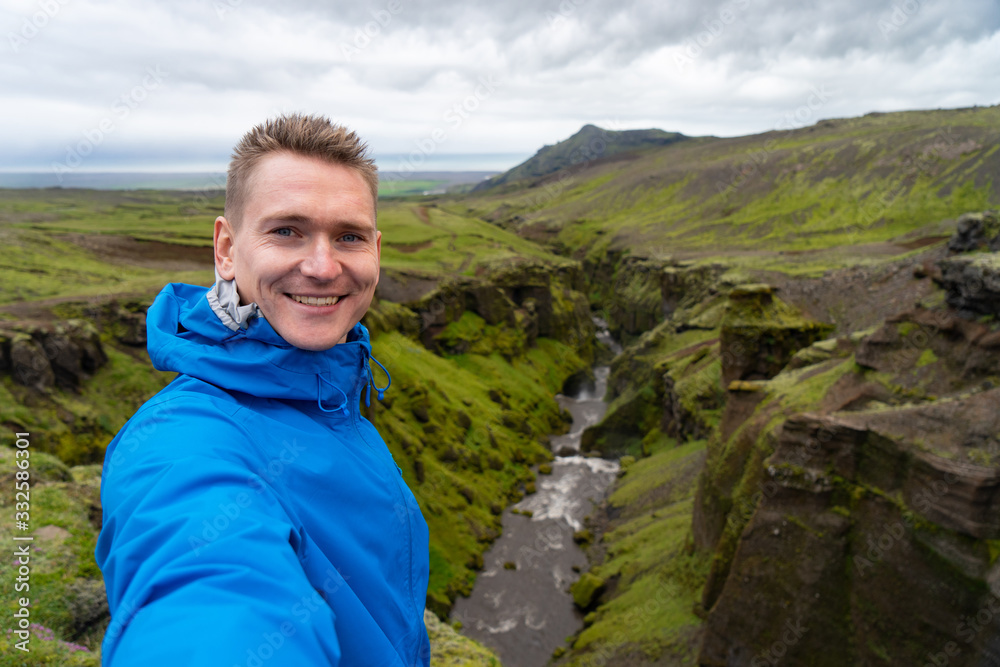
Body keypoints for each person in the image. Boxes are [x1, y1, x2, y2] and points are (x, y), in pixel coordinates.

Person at [96, 114, 430, 666]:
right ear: (226, 248)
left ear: (376, 249)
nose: (323, 267)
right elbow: (214, 592)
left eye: (348, 236)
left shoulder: (334, 391)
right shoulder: (183, 439)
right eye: (286, 231)